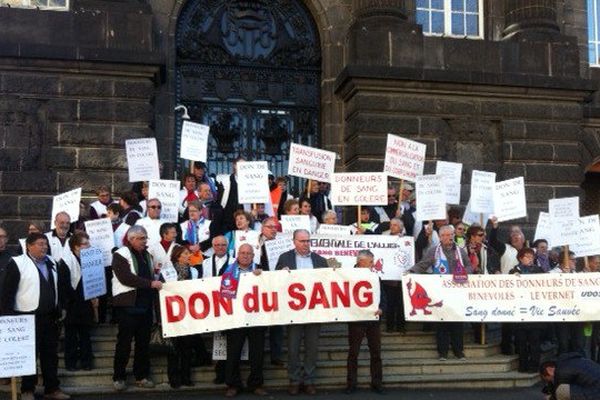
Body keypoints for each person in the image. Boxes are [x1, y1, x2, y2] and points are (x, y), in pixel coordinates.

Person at [0, 233, 71, 400]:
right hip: (26, 317)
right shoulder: (18, 263)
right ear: (29, 246)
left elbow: (58, 288)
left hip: (49, 318)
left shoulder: (52, 262)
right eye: (40, 244)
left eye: (45, 244)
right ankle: (27, 389)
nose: (44, 247)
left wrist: (60, 308)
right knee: (29, 355)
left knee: (50, 355)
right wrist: (8, 317)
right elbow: (7, 292)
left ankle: (52, 388)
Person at [276, 229, 329, 395]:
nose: (305, 244)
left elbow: (328, 284)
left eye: (307, 241)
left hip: (314, 311)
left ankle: (309, 380)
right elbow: (275, 282)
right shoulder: (285, 258)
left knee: (312, 348)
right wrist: (281, 274)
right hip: (293, 312)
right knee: (293, 347)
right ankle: (294, 380)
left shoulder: (320, 260)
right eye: (302, 241)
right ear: (294, 242)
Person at [111, 226, 163, 391]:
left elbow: (151, 275)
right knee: (124, 343)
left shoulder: (147, 255)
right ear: (131, 239)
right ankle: (119, 377)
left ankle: (141, 375)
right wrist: (150, 284)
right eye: (141, 238)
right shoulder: (120, 254)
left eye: (145, 238)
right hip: (127, 305)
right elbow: (125, 278)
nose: (144, 241)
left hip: (145, 305)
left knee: (143, 344)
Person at [411, 225, 472, 361]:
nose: (448, 237)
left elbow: (469, 266)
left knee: (457, 322)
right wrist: (410, 272)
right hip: (441, 292)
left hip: (457, 291)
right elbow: (423, 265)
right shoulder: (434, 251)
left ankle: (459, 351)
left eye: (450, 235)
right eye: (444, 235)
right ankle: (443, 352)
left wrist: (463, 273)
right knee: (442, 323)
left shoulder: (460, 251)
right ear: (440, 237)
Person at [223, 244, 268, 397]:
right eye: (242, 253)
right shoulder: (228, 270)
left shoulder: (261, 270)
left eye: (249, 253)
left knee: (257, 353)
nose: (245, 256)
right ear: (237, 255)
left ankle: (256, 384)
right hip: (236, 318)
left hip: (256, 318)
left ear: (253, 256)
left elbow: (270, 290)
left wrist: (262, 278)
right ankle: (233, 384)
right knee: (233, 353)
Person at [345, 250, 385, 395]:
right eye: (371, 262)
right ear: (361, 262)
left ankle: (377, 383)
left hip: (373, 320)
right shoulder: (347, 275)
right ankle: (351, 384)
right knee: (353, 353)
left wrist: (381, 308)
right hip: (356, 320)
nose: (373, 264)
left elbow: (383, 297)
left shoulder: (375, 276)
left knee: (376, 353)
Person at [58, 231, 96, 371]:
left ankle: (87, 362)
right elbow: (63, 285)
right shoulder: (66, 261)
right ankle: (71, 363)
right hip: (72, 304)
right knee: (71, 336)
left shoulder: (90, 259)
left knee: (85, 335)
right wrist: (67, 304)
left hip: (86, 303)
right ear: (76, 246)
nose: (88, 246)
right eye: (85, 244)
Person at [162, 245, 198, 388]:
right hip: (172, 313)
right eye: (185, 253)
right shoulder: (167, 272)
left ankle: (186, 377)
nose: (188, 255)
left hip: (189, 313)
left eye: (189, 253)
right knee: (174, 348)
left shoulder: (194, 271)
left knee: (187, 347)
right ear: (178, 256)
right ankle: (174, 378)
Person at [509, 247, 545, 372]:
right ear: (520, 258)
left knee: (534, 341)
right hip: (520, 312)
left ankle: (534, 365)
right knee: (521, 341)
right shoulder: (513, 271)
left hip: (534, 312)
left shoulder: (539, 271)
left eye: (532, 257)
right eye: (527, 257)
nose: (530, 260)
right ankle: (523, 365)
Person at [465, 225, 501, 343]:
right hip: (469, 284)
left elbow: (495, 261)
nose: (483, 237)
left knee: (481, 308)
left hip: (483, 283)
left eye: (483, 234)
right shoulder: (463, 249)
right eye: (480, 235)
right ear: (472, 236)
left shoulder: (487, 248)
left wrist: (495, 270)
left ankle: (481, 333)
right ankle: (478, 333)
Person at [257, 217, 284, 365]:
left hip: (276, 287)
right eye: (270, 227)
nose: (274, 229)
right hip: (258, 288)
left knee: (277, 324)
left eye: (275, 227)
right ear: (262, 229)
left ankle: (276, 355)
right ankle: (257, 356)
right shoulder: (254, 242)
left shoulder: (281, 244)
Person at [550, 251, 585, 356]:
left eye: (575, 259)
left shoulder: (576, 274)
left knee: (578, 343)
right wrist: (563, 278)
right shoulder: (552, 274)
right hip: (561, 314)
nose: (575, 261)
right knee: (563, 343)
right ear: (564, 260)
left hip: (576, 313)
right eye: (572, 259)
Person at [382, 218, 406, 333]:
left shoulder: (407, 240)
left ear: (401, 227)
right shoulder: (384, 238)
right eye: (391, 225)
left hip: (402, 279)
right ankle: (390, 327)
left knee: (401, 304)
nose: (392, 227)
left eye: (395, 225)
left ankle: (401, 327)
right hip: (389, 279)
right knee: (390, 304)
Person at [216, 156, 246, 232]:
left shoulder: (250, 182)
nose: (243, 167)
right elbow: (220, 199)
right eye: (240, 165)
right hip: (228, 217)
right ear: (234, 165)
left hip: (244, 216)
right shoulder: (225, 181)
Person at [179, 200, 211, 266]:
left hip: (206, 258)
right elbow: (180, 242)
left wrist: (200, 246)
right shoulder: (183, 225)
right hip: (189, 258)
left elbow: (212, 240)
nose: (192, 213)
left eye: (194, 211)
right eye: (190, 211)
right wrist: (189, 247)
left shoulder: (209, 224)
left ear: (200, 211)